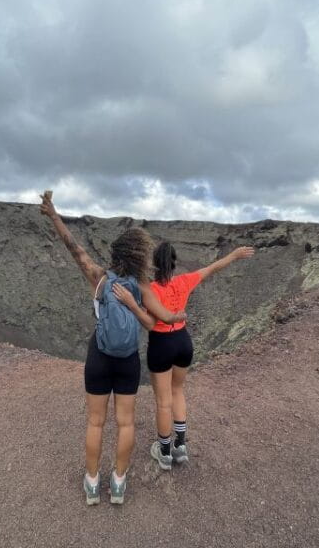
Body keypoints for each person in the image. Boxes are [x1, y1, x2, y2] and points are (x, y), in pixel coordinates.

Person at [39, 192, 186, 505]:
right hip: (127, 361)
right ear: (139, 256)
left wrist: (52, 214)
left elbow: (73, 247)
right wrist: (165, 313)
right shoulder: (142, 286)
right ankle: (118, 483)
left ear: (116, 254)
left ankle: (92, 483)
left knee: (95, 422)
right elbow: (157, 321)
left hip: (99, 357)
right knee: (125, 423)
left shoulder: (100, 278)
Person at [122, 241, 255, 470]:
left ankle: (165, 453)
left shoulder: (149, 290)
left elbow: (149, 320)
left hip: (161, 344)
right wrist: (234, 255)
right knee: (178, 391)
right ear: (174, 263)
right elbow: (212, 268)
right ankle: (180, 445)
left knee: (163, 401)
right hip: (183, 341)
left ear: (154, 264)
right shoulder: (184, 281)